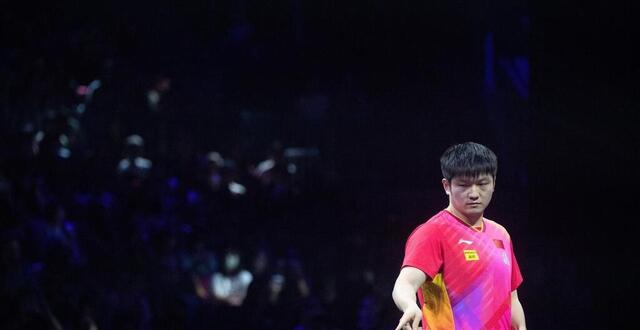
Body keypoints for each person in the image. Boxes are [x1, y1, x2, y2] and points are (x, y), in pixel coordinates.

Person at [392, 142, 526, 330]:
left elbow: (511, 299)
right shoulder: (433, 232)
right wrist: (409, 306)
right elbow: (405, 282)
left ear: (494, 183)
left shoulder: (501, 234)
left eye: (482, 184)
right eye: (463, 185)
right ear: (447, 186)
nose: (474, 193)